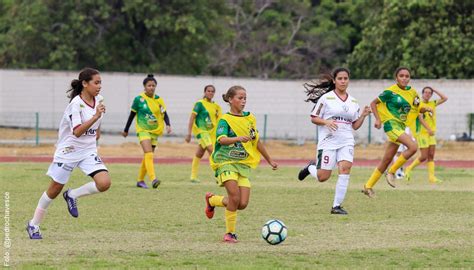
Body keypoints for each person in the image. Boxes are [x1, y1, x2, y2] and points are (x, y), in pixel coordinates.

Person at [26, 68, 111, 239]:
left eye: (100, 82)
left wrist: (98, 125)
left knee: (104, 183)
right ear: (84, 84)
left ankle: (72, 194)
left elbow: (96, 126)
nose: (99, 86)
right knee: (54, 189)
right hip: (69, 151)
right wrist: (95, 117)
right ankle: (33, 224)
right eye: (96, 82)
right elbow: (77, 132)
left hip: (87, 151)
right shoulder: (76, 105)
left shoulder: (99, 99)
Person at [204, 85, 278, 243]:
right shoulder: (225, 120)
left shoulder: (250, 118)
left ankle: (212, 201)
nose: (243, 101)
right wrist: (238, 138)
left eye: (245, 98)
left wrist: (269, 159)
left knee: (242, 204)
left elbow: (255, 140)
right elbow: (221, 140)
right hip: (226, 162)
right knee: (235, 197)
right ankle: (229, 234)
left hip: (243, 165)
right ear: (230, 100)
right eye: (240, 98)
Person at [297, 67, 371, 215]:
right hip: (328, 141)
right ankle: (310, 168)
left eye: (346, 78)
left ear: (348, 80)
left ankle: (336, 206)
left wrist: (363, 115)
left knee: (345, 169)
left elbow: (355, 125)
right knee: (323, 177)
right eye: (340, 79)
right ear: (334, 81)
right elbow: (314, 118)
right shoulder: (326, 98)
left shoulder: (353, 101)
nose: (343, 81)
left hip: (346, 141)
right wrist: (326, 122)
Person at [362, 67, 432, 198]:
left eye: (407, 76)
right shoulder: (390, 92)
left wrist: (427, 108)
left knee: (386, 159)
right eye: (401, 76)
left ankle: (368, 186)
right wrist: (378, 119)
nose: (404, 78)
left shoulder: (413, 93)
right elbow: (373, 103)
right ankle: (392, 171)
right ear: (396, 78)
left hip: (401, 126)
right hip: (391, 125)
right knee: (413, 147)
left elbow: (418, 108)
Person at [122, 74, 172, 189]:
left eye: (153, 85)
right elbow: (132, 115)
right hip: (143, 130)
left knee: (147, 156)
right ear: (144, 87)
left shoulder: (159, 99)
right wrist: (126, 130)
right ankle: (153, 179)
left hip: (155, 131)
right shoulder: (138, 99)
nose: (151, 87)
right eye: (149, 85)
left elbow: (164, 113)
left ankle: (140, 181)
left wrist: (168, 124)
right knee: (148, 153)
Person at [405, 86, 448, 183]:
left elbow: (445, 98)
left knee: (431, 155)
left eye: (430, 93)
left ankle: (431, 178)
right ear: (422, 93)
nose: (427, 94)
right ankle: (409, 168)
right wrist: (429, 129)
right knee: (424, 156)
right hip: (422, 133)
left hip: (431, 133)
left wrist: (435, 89)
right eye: (426, 92)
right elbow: (420, 118)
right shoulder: (419, 104)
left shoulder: (433, 103)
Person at [185, 85, 222, 183]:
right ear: (205, 92)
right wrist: (189, 133)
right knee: (212, 151)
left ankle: (193, 176)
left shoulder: (216, 106)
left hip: (212, 133)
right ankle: (218, 176)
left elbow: (219, 120)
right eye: (208, 91)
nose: (210, 93)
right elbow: (192, 118)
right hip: (202, 132)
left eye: (212, 91)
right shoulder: (199, 104)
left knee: (200, 153)